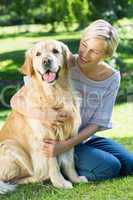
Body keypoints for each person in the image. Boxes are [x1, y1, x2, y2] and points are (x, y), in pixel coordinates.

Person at [11, 19, 133, 181]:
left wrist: (66, 146)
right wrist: (44, 116)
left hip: (82, 138)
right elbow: (15, 101)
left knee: (129, 165)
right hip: (60, 137)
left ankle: (69, 162)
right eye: (84, 45)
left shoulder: (112, 78)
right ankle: (56, 172)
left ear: (106, 55)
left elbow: (97, 123)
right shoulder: (62, 63)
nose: (84, 54)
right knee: (110, 167)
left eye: (94, 51)